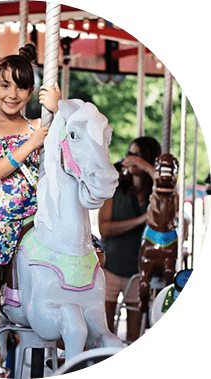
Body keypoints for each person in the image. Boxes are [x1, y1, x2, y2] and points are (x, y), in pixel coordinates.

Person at [0, 43, 61, 378]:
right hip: (1, 218)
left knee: (89, 251)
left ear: (30, 92)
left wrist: (59, 105)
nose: (13, 93)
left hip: (37, 215)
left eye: (22, 86)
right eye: (5, 85)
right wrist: (32, 142)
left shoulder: (40, 124)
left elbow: (71, 135)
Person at [98, 136, 161, 343]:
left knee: (135, 335)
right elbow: (104, 229)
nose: (132, 159)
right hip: (111, 267)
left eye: (138, 155)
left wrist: (147, 168)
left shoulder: (156, 191)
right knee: (105, 333)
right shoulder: (115, 187)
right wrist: (141, 220)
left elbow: (169, 196)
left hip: (138, 270)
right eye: (130, 154)